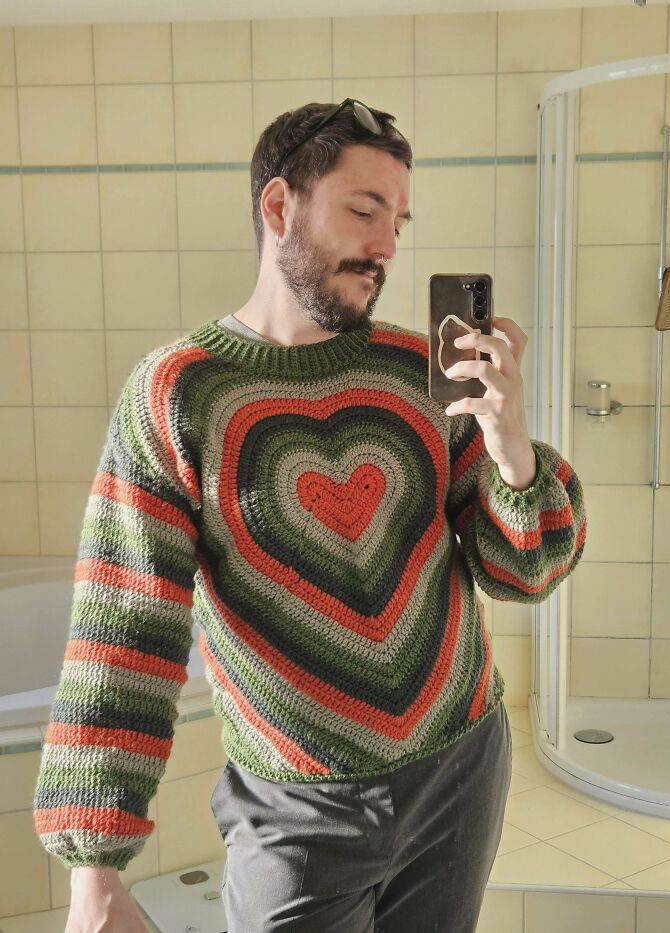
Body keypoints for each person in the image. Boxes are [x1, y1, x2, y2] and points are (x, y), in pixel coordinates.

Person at [32, 99, 587, 932]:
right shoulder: (177, 395)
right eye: (364, 210)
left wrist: (512, 447)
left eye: (399, 219)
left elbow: (525, 574)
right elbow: (124, 631)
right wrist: (94, 868)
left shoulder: (417, 373)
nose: (387, 246)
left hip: (461, 773)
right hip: (294, 812)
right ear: (278, 206)